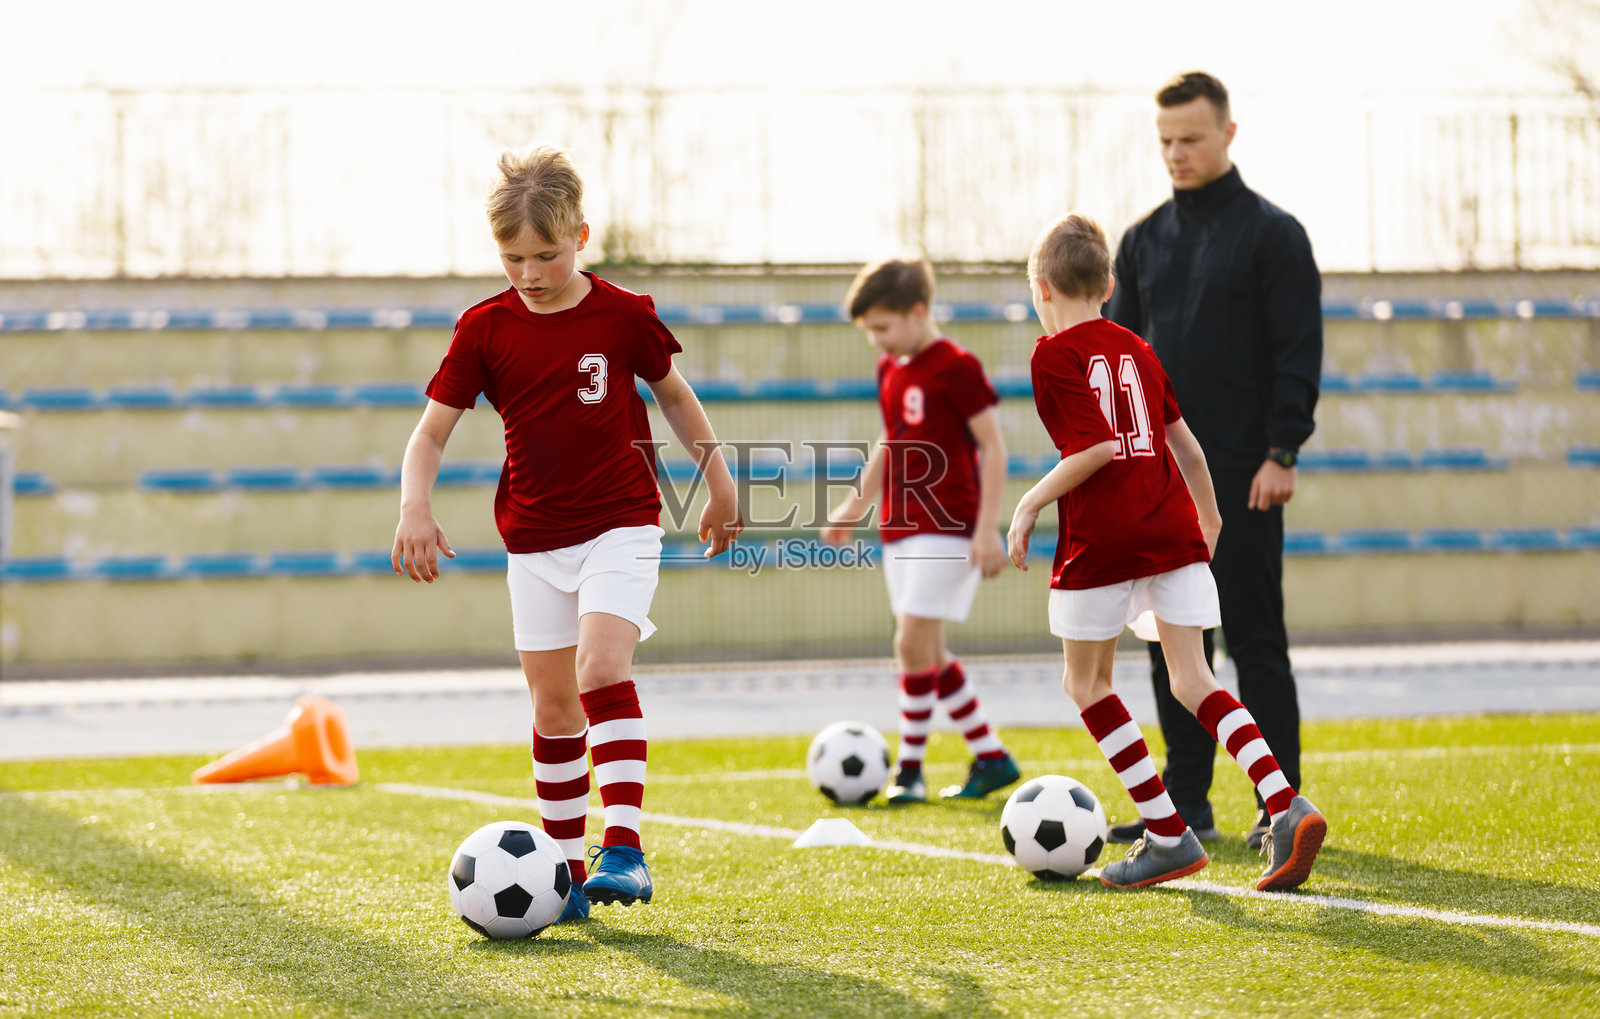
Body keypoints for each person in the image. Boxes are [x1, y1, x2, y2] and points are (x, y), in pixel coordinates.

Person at [391, 146, 742, 923]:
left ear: (581, 234)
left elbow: (676, 397)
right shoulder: (483, 328)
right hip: (533, 539)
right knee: (553, 706)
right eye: (513, 257)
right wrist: (415, 506)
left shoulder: (624, 313)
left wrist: (718, 481)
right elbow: (429, 436)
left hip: (621, 520)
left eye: (546, 254)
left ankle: (623, 847)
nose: (530, 271)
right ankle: (563, 877)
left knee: (600, 664)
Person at [1008, 211, 1324, 890]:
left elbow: (1093, 449)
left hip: (1103, 539)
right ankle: (1283, 801)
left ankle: (1167, 833)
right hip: (1173, 527)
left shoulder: (1051, 354)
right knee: (1195, 679)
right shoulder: (1142, 351)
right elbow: (1187, 446)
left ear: (1041, 287)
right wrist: (1207, 516)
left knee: (1086, 683)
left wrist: (1031, 502)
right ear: (1110, 284)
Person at [1103, 71, 1323, 849]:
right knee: (1175, 646)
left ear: (1228, 133)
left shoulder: (1274, 235)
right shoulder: (1141, 241)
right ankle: (1186, 802)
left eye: (1190, 138)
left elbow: (1298, 351)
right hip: (1161, 484)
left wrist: (1282, 449)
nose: (1176, 153)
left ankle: (1281, 805)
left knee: (1256, 641)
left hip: (1246, 476)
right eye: (1164, 141)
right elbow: (1120, 359)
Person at [820, 257, 1021, 804]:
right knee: (929, 652)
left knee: (908, 643)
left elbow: (994, 448)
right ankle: (992, 756)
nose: (878, 342)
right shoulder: (891, 369)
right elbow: (890, 442)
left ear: (917, 311)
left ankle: (909, 771)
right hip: (900, 526)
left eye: (883, 328)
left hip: (949, 525)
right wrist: (853, 504)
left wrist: (987, 530)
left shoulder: (956, 366)